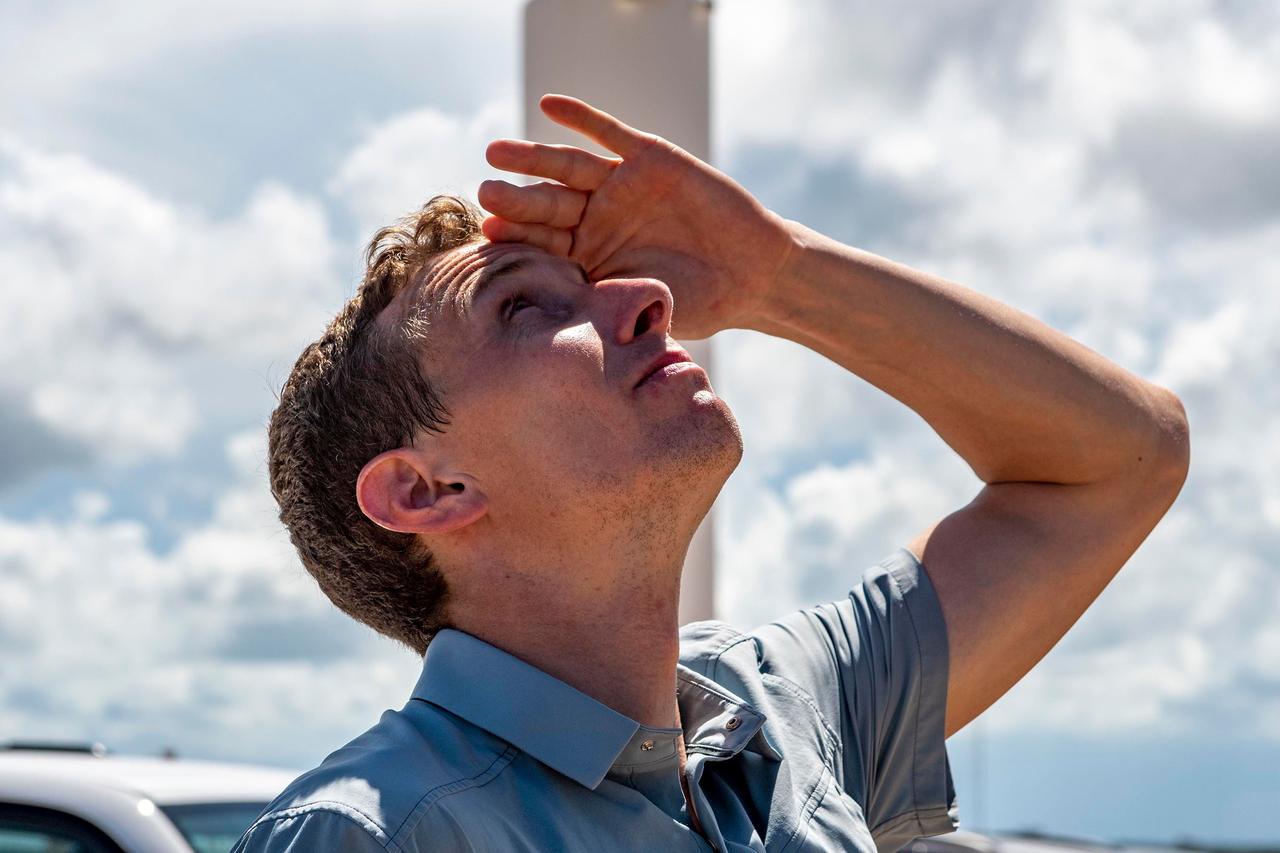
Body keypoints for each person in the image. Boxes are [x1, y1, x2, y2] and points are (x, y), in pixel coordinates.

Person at [233, 95, 1189, 853]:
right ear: (426, 491)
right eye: (524, 309)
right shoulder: (370, 832)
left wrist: (778, 272)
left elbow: (1123, 457)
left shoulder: (787, 711)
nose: (652, 302)